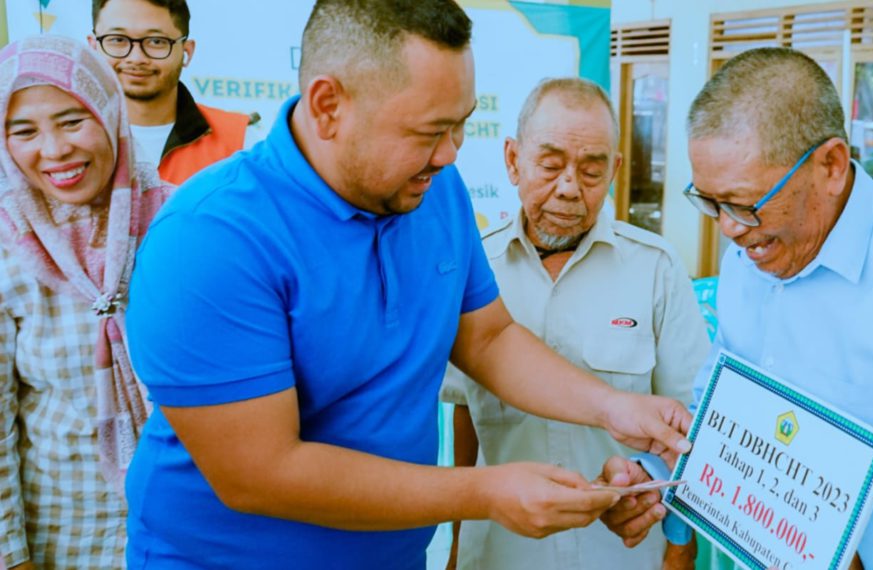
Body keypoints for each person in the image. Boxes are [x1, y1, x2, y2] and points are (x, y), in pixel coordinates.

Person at [122, 1, 691, 569]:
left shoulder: (434, 190)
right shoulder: (211, 238)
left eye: (462, 123)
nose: (450, 153)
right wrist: (486, 492)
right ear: (328, 107)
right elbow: (261, 473)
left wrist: (611, 407)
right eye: (429, 131)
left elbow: (489, 338)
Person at [598, 47, 873, 569]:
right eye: (711, 202)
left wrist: (864, 551)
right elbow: (725, 418)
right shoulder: (749, 257)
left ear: (831, 166)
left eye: (745, 204)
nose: (729, 229)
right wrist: (657, 474)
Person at [440, 77, 708, 570]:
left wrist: (679, 550)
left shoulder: (656, 269)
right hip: (502, 552)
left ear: (614, 171)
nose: (569, 188)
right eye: (550, 165)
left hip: (622, 554)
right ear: (513, 160)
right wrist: (458, 543)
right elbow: (465, 415)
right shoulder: (474, 268)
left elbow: (689, 429)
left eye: (591, 171)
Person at [0, 35, 172, 570]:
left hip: (183, 529)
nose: (54, 150)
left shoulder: (179, 224)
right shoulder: (8, 247)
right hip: (60, 538)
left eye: (72, 121)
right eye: (23, 131)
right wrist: (12, 557)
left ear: (109, 113)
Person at [89, 0, 250, 185]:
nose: (136, 58)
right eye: (118, 40)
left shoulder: (239, 141)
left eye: (156, 41)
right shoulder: (70, 140)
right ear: (93, 47)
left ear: (186, 52)